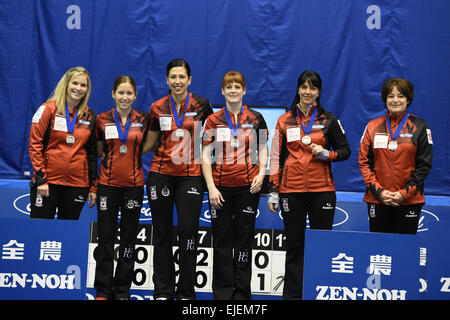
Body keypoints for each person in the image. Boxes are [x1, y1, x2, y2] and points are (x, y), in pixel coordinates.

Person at [267, 70, 350, 299]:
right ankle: (292, 296)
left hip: (321, 192)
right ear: (298, 90)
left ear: (318, 92)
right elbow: (275, 157)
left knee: (321, 246)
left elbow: (345, 151)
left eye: (312, 88)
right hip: (290, 191)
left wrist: (327, 154)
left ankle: (318, 293)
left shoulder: (329, 120)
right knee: (294, 246)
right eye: (303, 87)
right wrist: (274, 191)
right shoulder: (284, 120)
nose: (307, 92)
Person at [142, 59, 213, 300]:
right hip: (160, 176)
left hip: (190, 177)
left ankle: (185, 292)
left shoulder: (202, 105)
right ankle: (163, 290)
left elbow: (211, 141)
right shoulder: (157, 107)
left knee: (188, 233)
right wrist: (119, 147)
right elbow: (150, 143)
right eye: (173, 77)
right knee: (161, 233)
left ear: (189, 80)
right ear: (167, 80)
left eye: (182, 77)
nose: (177, 81)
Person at [202, 71, 268, 300]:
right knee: (221, 243)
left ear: (244, 90)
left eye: (237, 87)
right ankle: (221, 294)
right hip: (220, 190)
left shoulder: (256, 117)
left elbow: (262, 149)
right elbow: (204, 154)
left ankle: (241, 295)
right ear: (222, 91)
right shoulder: (213, 120)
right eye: (228, 87)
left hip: (247, 189)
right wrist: (210, 187)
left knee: (243, 242)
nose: (232, 90)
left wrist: (262, 172)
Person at [93, 75, 149, 300]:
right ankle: (103, 289)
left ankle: (123, 289)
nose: (125, 97)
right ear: (113, 94)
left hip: (134, 186)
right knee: (105, 238)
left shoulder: (144, 119)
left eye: (129, 93)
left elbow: (147, 145)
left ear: (135, 96)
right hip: (107, 186)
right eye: (121, 93)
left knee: (128, 239)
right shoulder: (102, 119)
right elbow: (98, 149)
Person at [359, 78, 433, 234]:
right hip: (377, 199)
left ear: (408, 99)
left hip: (409, 200)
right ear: (385, 99)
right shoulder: (372, 126)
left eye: (400, 96)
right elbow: (364, 162)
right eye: (390, 96)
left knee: (405, 251)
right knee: (378, 250)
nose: (395, 100)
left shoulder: (420, 126)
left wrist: (403, 194)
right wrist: (379, 192)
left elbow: (424, 165)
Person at [28, 66, 97, 220]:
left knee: (68, 234)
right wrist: (41, 179)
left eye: (83, 85)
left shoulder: (90, 116)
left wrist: (93, 186)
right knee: (41, 231)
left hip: (77, 184)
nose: (78, 88)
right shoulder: (48, 109)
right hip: (47, 182)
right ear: (66, 84)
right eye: (75, 83)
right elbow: (35, 145)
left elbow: (92, 154)